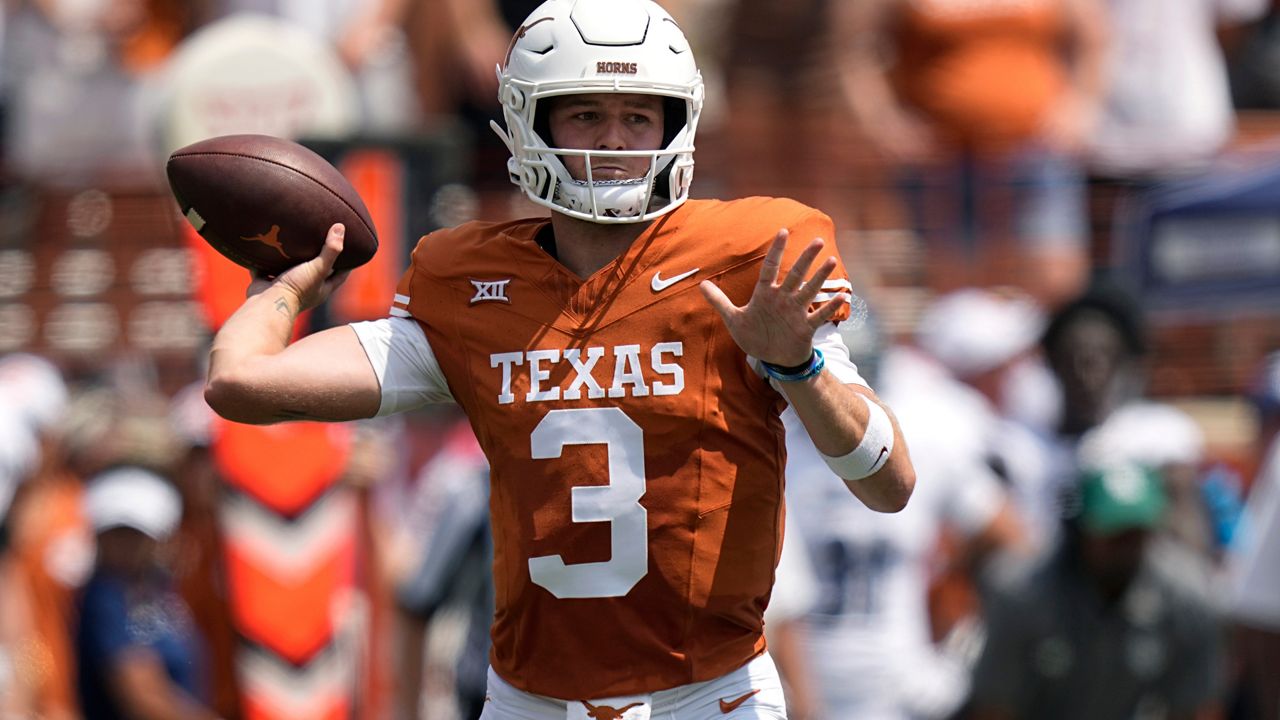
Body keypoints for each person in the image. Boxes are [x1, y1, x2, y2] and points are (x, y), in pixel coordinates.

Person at [202, 0, 917, 716]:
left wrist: (798, 369)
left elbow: (890, 485)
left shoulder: (746, 260)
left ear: (677, 124)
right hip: (531, 700)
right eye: (585, 117)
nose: (614, 142)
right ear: (528, 122)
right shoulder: (469, 286)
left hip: (710, 696)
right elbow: (240, 382)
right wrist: (285, 288)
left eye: (639, 117)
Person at [970, 462, 1224, 720]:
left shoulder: (1188, 598)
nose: (1126, 546)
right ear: (1081, 528)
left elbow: (1196, 706)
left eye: (1136, 533)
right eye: (1114, 534)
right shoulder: (1022, 594)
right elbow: (995, 705)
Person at [75, 465, 220, 720]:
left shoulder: (161, 591)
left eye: (135, 535)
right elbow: (142, 696)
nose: (124, 545)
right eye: (115, 533)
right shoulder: (104, 599)